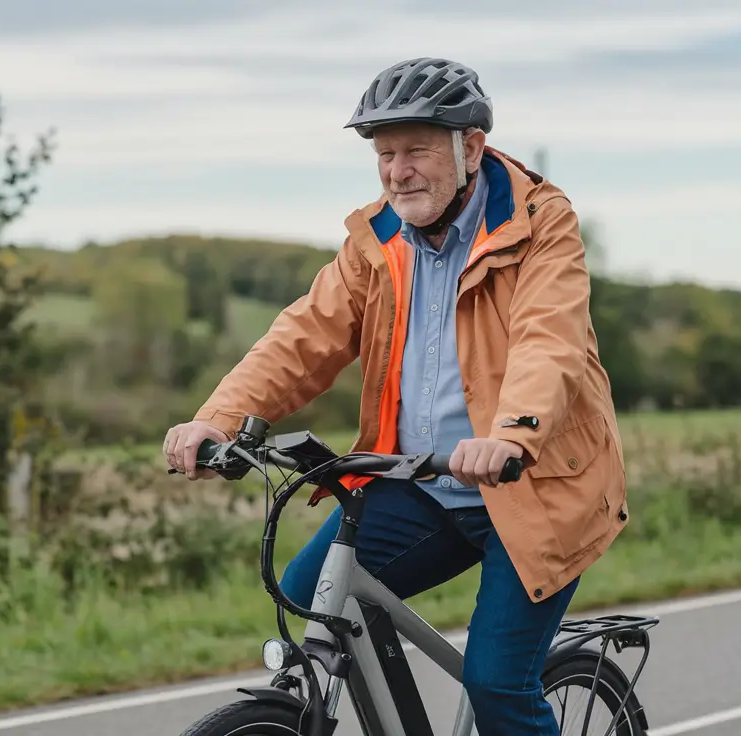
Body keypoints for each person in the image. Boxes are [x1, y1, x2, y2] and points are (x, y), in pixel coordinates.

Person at [163, 56, 628, 735]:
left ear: (470, 147)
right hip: (421, 484)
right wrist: (217, 420)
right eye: (384, 154)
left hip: (534, 484)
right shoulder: (379, 241)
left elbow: (547, 341)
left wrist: (512, 435)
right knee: (309, 594)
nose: (397, 171)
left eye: (415, 151)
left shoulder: (540, 226)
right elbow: (304, 337)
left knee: (497, 682)